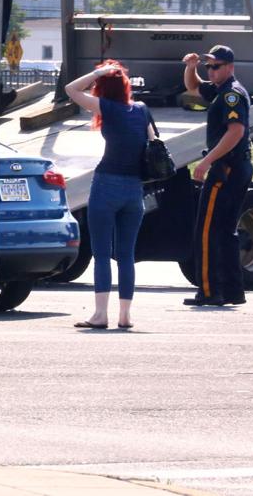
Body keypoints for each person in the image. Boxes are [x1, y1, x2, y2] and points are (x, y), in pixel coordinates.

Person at [64, 60, 153, 330]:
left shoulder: (107, 108)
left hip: (106, 186)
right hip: (134, 190)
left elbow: (71, 90)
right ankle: (125, 315)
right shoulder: (141, 110)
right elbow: (151, 143)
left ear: (103, 87)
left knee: (102, 253)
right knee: (126, 254)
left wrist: (96, 73)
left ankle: (100, 314)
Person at [182, 45, 253, 307]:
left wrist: (207, 161)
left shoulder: (231, 94)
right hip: (235, 167)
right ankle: (233, 290)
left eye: (216, 66)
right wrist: (191, 67)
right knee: (224, 230)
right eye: (208, 66)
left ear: (230, 67)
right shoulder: (221, 89)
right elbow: (193, 87)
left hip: (226, 168)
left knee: (206, 230)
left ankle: (210, 291)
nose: (210, 71)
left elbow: (235, 131)